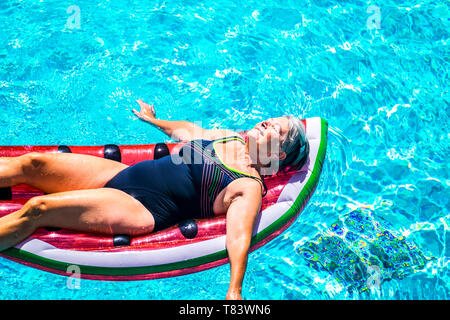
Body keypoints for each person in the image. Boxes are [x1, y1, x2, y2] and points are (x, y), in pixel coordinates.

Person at [0, 99, 309, 299]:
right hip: (123, 174)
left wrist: (235, 291)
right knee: (32, 164)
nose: (267, 122)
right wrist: (154, 121)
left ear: (277, 154)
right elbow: (189, 130)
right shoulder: (230, 136)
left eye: (276, 130)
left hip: (142, 208)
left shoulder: (248, 185)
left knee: (38, 209)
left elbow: (239, 236)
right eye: (271, 119)